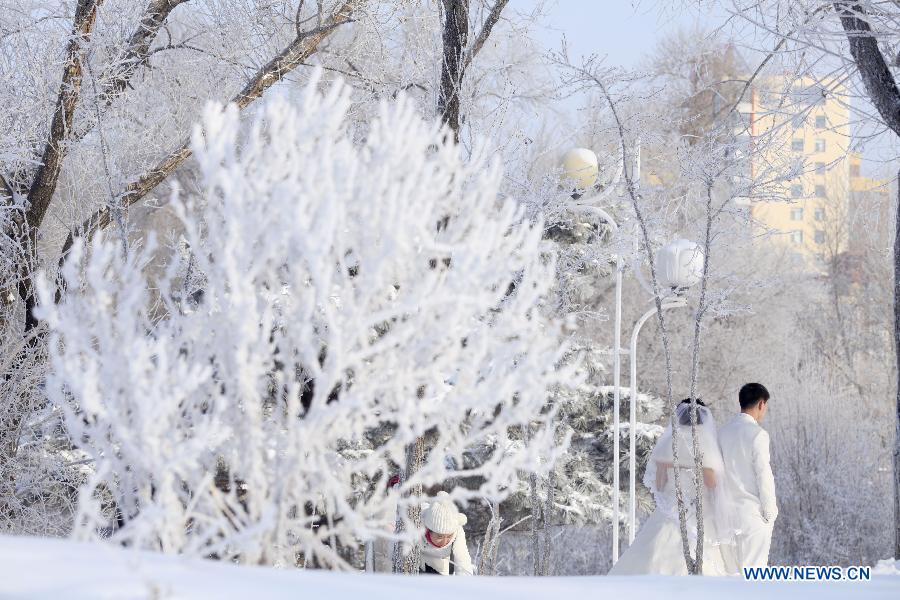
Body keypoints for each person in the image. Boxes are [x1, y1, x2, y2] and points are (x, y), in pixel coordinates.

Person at [608, 399, 739, 576]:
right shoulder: (705, 443)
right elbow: (711, 483)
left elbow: (660, 485)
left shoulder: (670, 440)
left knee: (655, 547)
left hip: (671, 508)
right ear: (703, 419)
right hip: (699, 511)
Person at [717, 382, 777, 569]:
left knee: (730, 580)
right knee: (754, 579)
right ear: (761, 404)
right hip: (752, 515)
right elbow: (763, 474)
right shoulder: (757, 434)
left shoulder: (721, 433)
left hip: (724, 517)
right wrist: (770, 512)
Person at [419, 491, 474, 575]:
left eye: (449, 536)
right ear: (428, 530)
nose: (445, 541)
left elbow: (463, 559)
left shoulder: (456, 529)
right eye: (440, 537)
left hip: (440, 565)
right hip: (418, 563)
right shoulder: (417, 525)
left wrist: (465, 585)